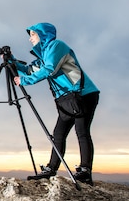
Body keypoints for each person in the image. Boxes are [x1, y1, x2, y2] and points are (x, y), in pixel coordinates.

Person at [11, 22, 100, 185]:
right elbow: (31, 69)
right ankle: (51, 169)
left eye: (33, 34)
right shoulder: (44, 55)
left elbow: (49, 69)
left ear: (42, 34)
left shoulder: (56, 46)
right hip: (67, 99)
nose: (30, 39)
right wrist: (12, 61)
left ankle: (85, 171)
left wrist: (24, 81)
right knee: (58, 133)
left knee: (82, 131)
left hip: (83, 95)